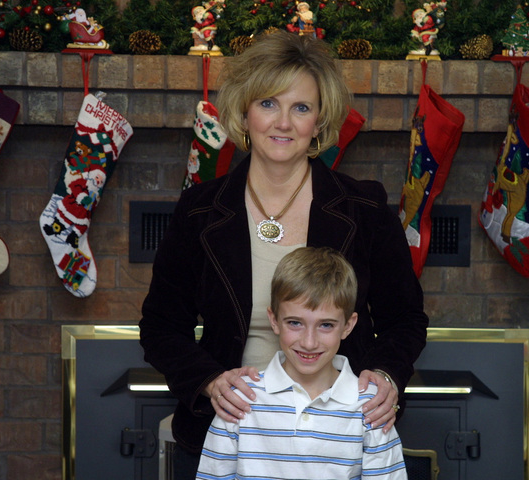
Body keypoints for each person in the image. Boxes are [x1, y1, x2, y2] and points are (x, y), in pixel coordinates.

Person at [139, 30, 428, 480]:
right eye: (268, 103)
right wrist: (210, 382)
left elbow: (405, 320)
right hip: (226, 432)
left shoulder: (364, 207)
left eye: (301, 108)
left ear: (319, 120)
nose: (284, 123)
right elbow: (161, 326)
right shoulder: (199, 209)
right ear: (245, 111)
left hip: (339, 438)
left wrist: (387, 378)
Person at [197, 246, 407, 479]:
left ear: (348, 325)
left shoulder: (372, 406)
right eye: (295, 323)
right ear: (274, 320)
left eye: (326, 325)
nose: (309, 342)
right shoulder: (239, 399)